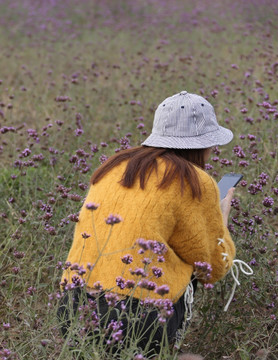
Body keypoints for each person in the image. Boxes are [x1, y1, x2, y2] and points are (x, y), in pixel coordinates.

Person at [57, 91, 237, 357]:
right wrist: (221, 219)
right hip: (140, 321)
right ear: (203, 145)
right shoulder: (194, 180)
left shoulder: (114, 166)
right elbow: (212, 267)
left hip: (74, 309)